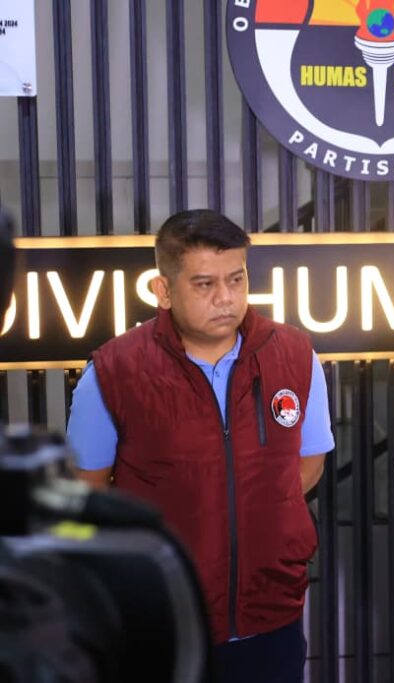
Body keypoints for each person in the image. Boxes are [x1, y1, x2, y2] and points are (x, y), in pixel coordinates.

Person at [66, 209, 334, 683]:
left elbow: (308, 463)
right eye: (205, 284)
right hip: (162, 624)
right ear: (164, 291)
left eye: (236, 279)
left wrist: (255, 510)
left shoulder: (295, 355)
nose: (226, 298)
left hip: (272, 618)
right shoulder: (113, 372)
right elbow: (85, 493)